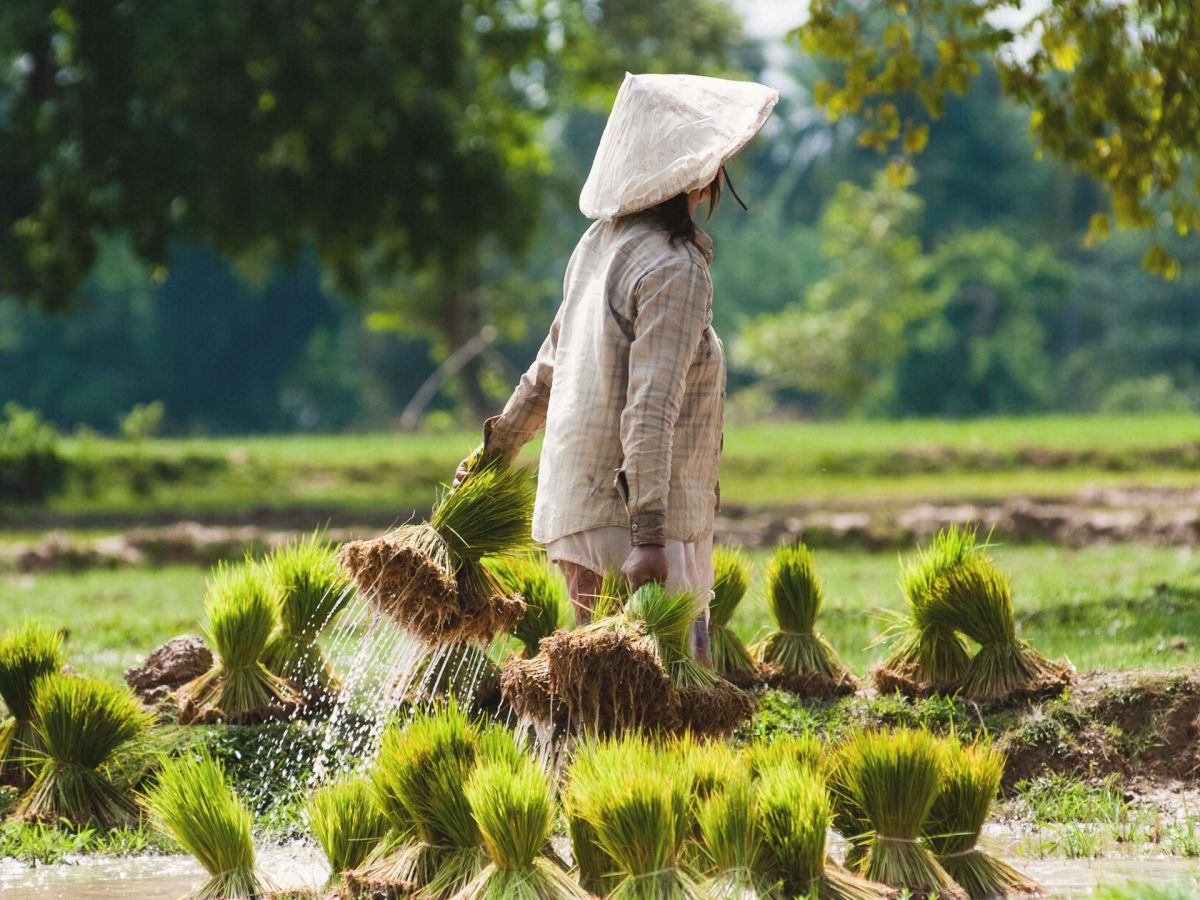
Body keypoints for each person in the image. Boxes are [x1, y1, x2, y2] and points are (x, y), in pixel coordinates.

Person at [456, 72, 778, 661]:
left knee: (599, 704)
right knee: (664, 713)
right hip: (629, 526)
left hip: (578, 514)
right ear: (694, 170)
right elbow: (650, 406)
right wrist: (649, 536)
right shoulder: (673, 268)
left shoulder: (599, 246)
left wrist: (492, 456)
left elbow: (546, 371)